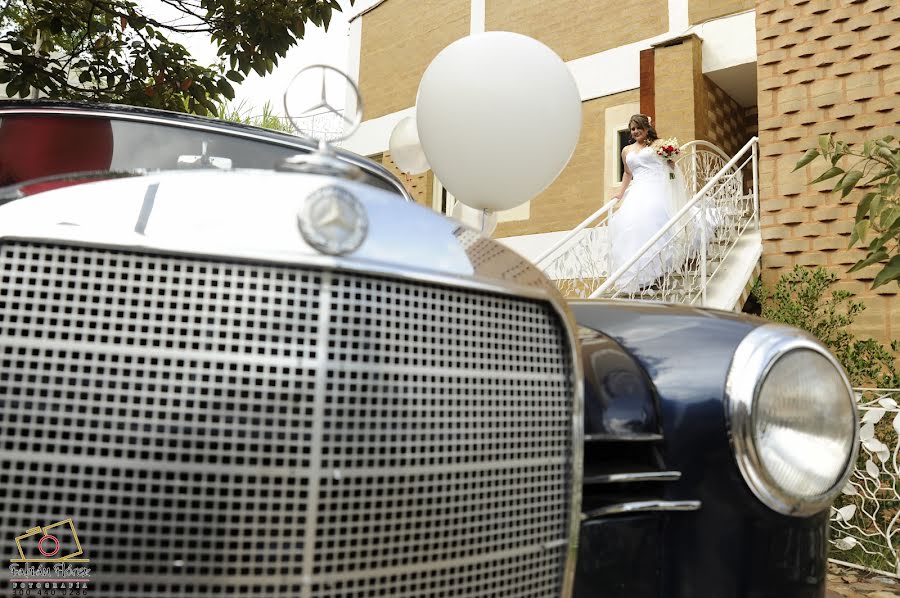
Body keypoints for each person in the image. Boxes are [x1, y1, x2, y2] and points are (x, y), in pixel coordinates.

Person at [607, 114, 694, 292]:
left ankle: (658, 270)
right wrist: (620, 194)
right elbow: (627, 174)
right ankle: (639, 276)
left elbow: (669, 166)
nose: (636, 131)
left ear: (647, 128)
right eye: (632, 129)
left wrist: (670, 162)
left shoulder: (658, 144)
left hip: (656, 188)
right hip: (637, 191)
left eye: (639, 127)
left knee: (653, 222)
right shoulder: (626, 150)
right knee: (631, 226)